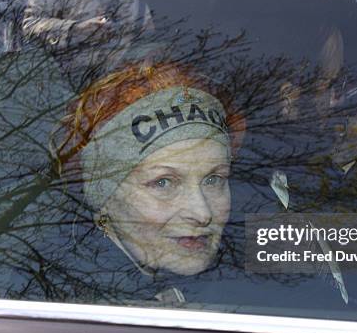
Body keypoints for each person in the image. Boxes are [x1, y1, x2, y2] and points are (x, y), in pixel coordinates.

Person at [53, 62, 244, 301]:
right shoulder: (68, 301)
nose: (201, 212)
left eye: (214, 179)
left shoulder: (251, 274)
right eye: (163, 183)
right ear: (104, 196)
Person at [23, 0, 155, 89]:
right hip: (69, 86)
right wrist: (76, 28)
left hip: (128, 82)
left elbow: (149, 40)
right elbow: (30, 26)